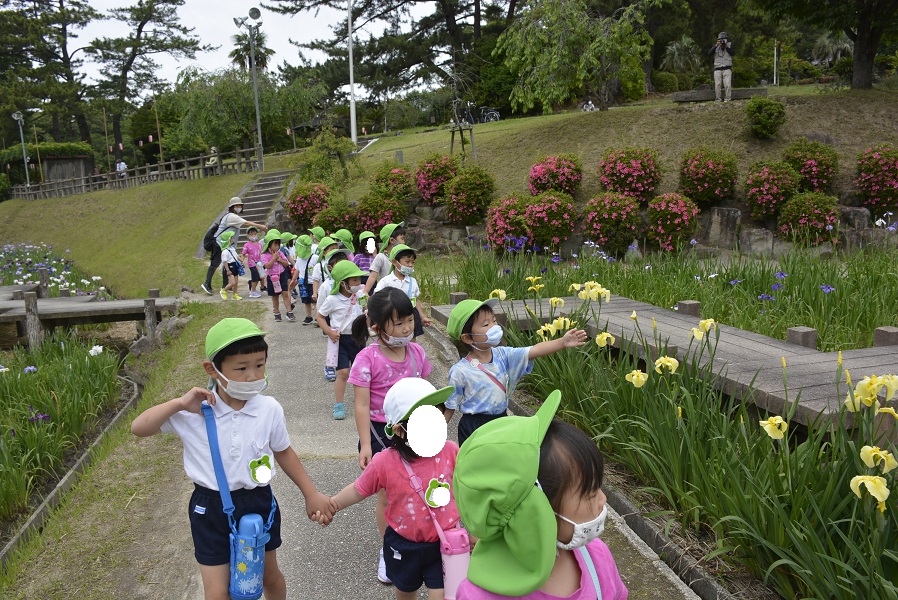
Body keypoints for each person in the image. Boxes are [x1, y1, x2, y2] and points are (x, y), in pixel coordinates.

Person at [130, 317, 337, 600]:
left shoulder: (269, 408)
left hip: (257, 501)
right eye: (241, 368)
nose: (252, 376)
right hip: (210, 507)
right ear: (212, 369)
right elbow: (138, 428)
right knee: (217, 592)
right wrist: (179, 403)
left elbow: (284, 451)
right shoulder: (195, 412)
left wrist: (310, 493)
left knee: (268, 575)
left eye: (259, 365)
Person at [453, 390, 628, 600]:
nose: (603, 499)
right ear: (534, 510)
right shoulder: (478, 596)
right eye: (590, 493)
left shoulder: (597, 557)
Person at [323, 378, 460, 599]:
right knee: (405, 592)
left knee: (441, 593)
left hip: (443, 542)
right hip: (403, 544)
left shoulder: (451, 450)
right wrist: (333, 504)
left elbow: (471, 482)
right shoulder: (385, 462)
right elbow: (359, 489)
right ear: (399, 430)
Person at [348, 287, 433, 584]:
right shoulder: (367, 358)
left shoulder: (418, 353)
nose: (407, 328)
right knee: (387, 494)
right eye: (398, 323)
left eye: (409, 320)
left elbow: (427, 394)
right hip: (380, 434)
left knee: (420, 486)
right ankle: (390, 549)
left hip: (414, 431)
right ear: (377, 327)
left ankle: (422, 539)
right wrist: (365, 447)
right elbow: (360, 404)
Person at [444, 298, 587, 446]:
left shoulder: (503, 355)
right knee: (476, 465)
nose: (494, 327)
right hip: (474, 427)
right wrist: (437, 433)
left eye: (494, 321)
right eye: (486, 324)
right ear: (467, 338)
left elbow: (534, 350)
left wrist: (562, 342)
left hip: (502, 421)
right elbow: (450, 405)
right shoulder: (460, 372)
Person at [316, 260, 367, 420]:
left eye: (359, 280)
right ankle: (339, 404)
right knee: (343, 372)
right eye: (354, 280)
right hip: (341, 340)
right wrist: (329, 331)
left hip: (359, 338)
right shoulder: (332, 299)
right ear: (343, 283)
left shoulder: (360, 295)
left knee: (363, 372)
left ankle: (365, 400)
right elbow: (320, 316)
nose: (358, 284)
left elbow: (366, 310)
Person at [203, 196, 267, 296]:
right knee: (214, 264)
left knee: (226, 264)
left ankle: (225, 285)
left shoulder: (232, 216)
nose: (238, 207)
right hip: (220, 243)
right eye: (236, 206)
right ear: (232, 207)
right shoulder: (231, 217)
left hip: (226, 244)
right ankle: (207, 284)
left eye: (239, 206)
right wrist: (260, 226)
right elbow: (246, 223)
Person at [375, 244, 431, 339]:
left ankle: (411, 354)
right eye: (407, 261)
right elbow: (377, 298)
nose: (410, 265)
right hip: (393, 316)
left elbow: (416, 300)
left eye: (413, 262)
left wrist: (422, 316)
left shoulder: (412, 282)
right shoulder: (386, 281)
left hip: (411, 315)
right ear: (395, 262)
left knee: (411, 340)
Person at [260, 229, 294, 322]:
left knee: (285, 293)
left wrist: (280, 259)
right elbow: (267, 266)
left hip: (282, 275)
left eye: (278, 244)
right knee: (275, 296)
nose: (277, 246)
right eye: (275, 244)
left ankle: (289, 312)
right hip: (272, 277)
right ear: (269, 245)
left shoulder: (280, 253)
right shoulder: (264, 255)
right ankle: (277, 312)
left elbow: (286, 264)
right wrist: (273, 258)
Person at [364, 223, 406, 295]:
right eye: (402, 239)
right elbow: (373, 276)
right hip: (385, 293)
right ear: (392, 240)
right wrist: (366, 292)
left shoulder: (402, 257)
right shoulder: (381, 257)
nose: (404, 242)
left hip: (400, 293)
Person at [293, 234, 317, 324]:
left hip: (313, 283)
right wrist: (293, 280)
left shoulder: (314, 258)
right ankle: (308, 316)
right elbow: (297, 270)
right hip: (302, 283)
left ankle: (317, 317)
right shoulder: (299, 258)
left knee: (314, 301)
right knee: (306, 301)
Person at [708, 32, 735, 102]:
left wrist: (726, 47)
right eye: (721, 40)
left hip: (727, 67)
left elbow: (733, 53)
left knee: (727, 84)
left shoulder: (730, 45)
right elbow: (709, 53)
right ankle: (718, 98)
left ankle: (728, 98)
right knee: (717, 85)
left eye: (724, 40)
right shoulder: (716, 46)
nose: (722, 41)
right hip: (717, 68)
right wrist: (716, 45)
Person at [219, 231, 243, 300]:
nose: (233, 239)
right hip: (229, 267)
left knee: (236, 282)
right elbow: (225, 261)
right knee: (233, 282)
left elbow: (236, 256)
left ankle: (235, 294)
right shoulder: (225, 251)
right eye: (231, 238)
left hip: (234, 266)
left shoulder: (232, 249)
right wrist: (227, 270)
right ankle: (224, 290)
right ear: (228, 240)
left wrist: (241, 260)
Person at [242, 227, 263, 298]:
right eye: (252, 234)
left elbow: (261, 252)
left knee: (261, 277)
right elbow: (243, 254)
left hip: (259, 263)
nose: (253, 236)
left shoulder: (259, 244)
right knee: (255, 278)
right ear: (248, 236)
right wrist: (242, 261)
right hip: (252, 264)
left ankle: (254, 288)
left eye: (255, 234)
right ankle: (252, 291)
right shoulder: (247, 245)